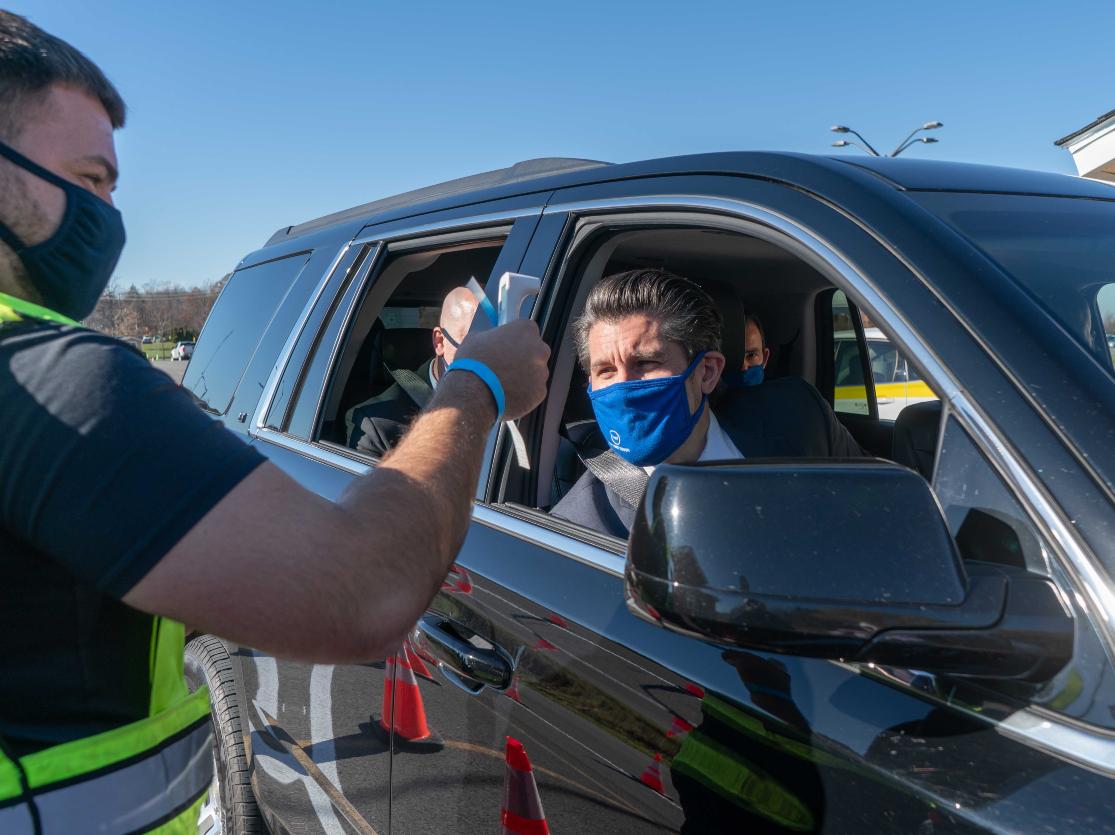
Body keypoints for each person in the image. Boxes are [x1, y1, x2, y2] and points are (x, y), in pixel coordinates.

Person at [0, 12, 548, 832]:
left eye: (112, 186)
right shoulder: (53, 380)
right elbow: (360, 590)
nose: (108, 215)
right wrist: (476, 386)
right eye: (88, 179)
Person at [551, 269, 863, 538]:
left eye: (645, 363)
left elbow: (877, 506)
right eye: (605, 371)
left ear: (708, 371)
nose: (624, 387)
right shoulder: (581, 525)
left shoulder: (797, 415)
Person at [346, 285, 477, 456]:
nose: (490, 359)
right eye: (474, 344)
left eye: (500, 345)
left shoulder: (514, 395)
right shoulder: (377, 426)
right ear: (440, 342)